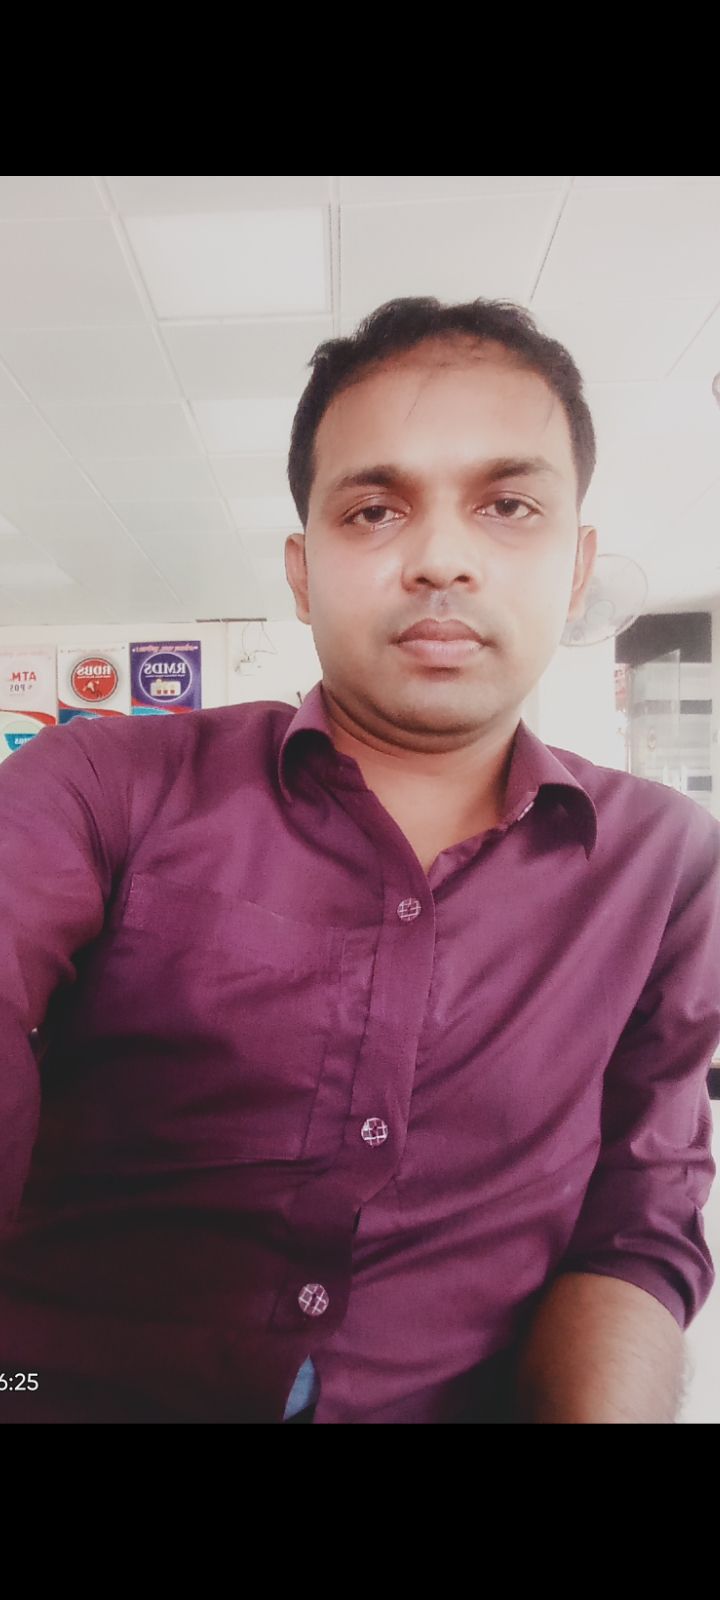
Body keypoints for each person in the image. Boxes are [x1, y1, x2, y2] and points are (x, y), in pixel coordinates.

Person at [1, 297, 719, 1425]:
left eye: (509, 505)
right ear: (302, 570)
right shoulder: (106, 784)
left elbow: (637, 1222)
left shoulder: (666, 867)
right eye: (375, 509)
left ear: (577, 564)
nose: (441, 559)